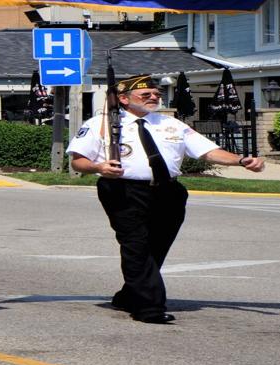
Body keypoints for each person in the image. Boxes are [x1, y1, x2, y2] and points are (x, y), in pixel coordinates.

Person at [66, 74, 266, 325]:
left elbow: (208, 151)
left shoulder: (171, 124)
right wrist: (100, 167)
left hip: (168, 192)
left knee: (156, 247)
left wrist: (240, 160)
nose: (154, 97)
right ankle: (149, 307)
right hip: (123, 191)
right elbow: (77, 160)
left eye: (156, 93)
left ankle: (129, 295)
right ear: (124, 99)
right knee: (136, 245)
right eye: (146, 94)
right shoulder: (101, 124)